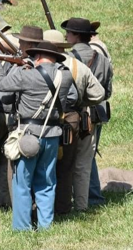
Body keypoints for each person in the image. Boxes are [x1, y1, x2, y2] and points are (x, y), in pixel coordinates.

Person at [0, 41, 76, 231]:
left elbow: (0, 84)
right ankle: (46, 225)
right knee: (47, 183)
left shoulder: (26, 75)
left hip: (29, 135)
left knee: (22, 184)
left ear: (37, 57)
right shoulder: (66, 76)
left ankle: (22, 227)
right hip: (52, 135)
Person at [43, 29, 105, 214]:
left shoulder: (40, 65)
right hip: (74, 118)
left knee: (48, 165)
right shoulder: (78, 66)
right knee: (74, 166)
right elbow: (99, 94)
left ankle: (47, 209)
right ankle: (79, 206)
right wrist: (82, 103)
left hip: (46, 120)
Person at [62, 18, 113, 208]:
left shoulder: (68, 59)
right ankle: (85, 202)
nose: (66, 36)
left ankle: (67, 201)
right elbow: (107, 92)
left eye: (68, 33)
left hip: (73, 115)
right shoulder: (103, 60)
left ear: (76, 36)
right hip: (96, 114)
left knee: (67, 159)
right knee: (86, 160)